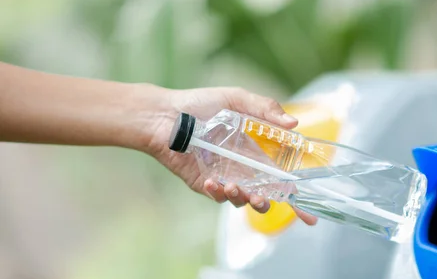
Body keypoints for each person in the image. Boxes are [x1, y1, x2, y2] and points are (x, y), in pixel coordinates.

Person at [0, 62, 317, 225]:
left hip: (309, 156)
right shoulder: (209, 159)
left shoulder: (218, 125)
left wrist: (157, 118)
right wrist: (153, 120)